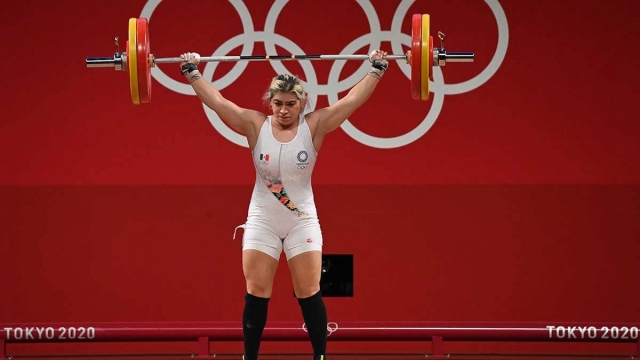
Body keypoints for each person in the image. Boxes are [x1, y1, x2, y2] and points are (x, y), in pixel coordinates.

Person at [179, 49, 389, 360]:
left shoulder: (314, 126)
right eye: (278, 104)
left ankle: (320, 357)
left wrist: (376, 69)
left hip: (301, 221)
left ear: (302, 104)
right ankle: (250, 358)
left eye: (291, 104)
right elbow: (219, 103)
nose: (284, 111)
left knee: (309, 292)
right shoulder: (255, 125)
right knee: (257, 292)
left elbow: (350, 102)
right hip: (262, 219)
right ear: (270, 103)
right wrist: (192, 72)